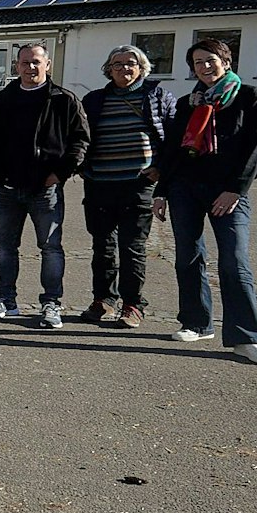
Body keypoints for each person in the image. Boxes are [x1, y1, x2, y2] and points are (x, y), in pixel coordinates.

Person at [154, 38, 257, 365]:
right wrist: (162, 191)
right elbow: (173, 151)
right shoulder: (187, 103)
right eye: (197, 63)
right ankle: (196, 322)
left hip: (228, 192)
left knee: (234, 261)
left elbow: (255, 145)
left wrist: (236, 188)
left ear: (225, 61)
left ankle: (246, 337)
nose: (204, 67)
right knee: (188, 257)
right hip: (185, 188)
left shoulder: (248, 96)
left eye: (210, 60)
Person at [0, 43, 88, 329]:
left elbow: (80, 141)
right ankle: (6, 300)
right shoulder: (3, 99)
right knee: (5, 247)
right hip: (7, 190)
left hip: (45, 190)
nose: (30, 67)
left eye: (36, 62)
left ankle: (51, 303)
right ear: (17, 66)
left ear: (47, 65)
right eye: (25, 62)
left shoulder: (63, 99)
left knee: (50, 248)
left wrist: (59, 175)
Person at [80, 46, 174, 328]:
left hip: (138, 185)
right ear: (108, 69)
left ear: (142, 68)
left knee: (132, 247)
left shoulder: (157, 97)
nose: (123, 69)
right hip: (99, 183)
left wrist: (161, 169)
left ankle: (133, 305)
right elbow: (80, 136)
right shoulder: (95, 100)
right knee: (102, 247)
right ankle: (103, 300)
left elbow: (173, 136)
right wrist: (82, 168)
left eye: (130, 64)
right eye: (117, 64)